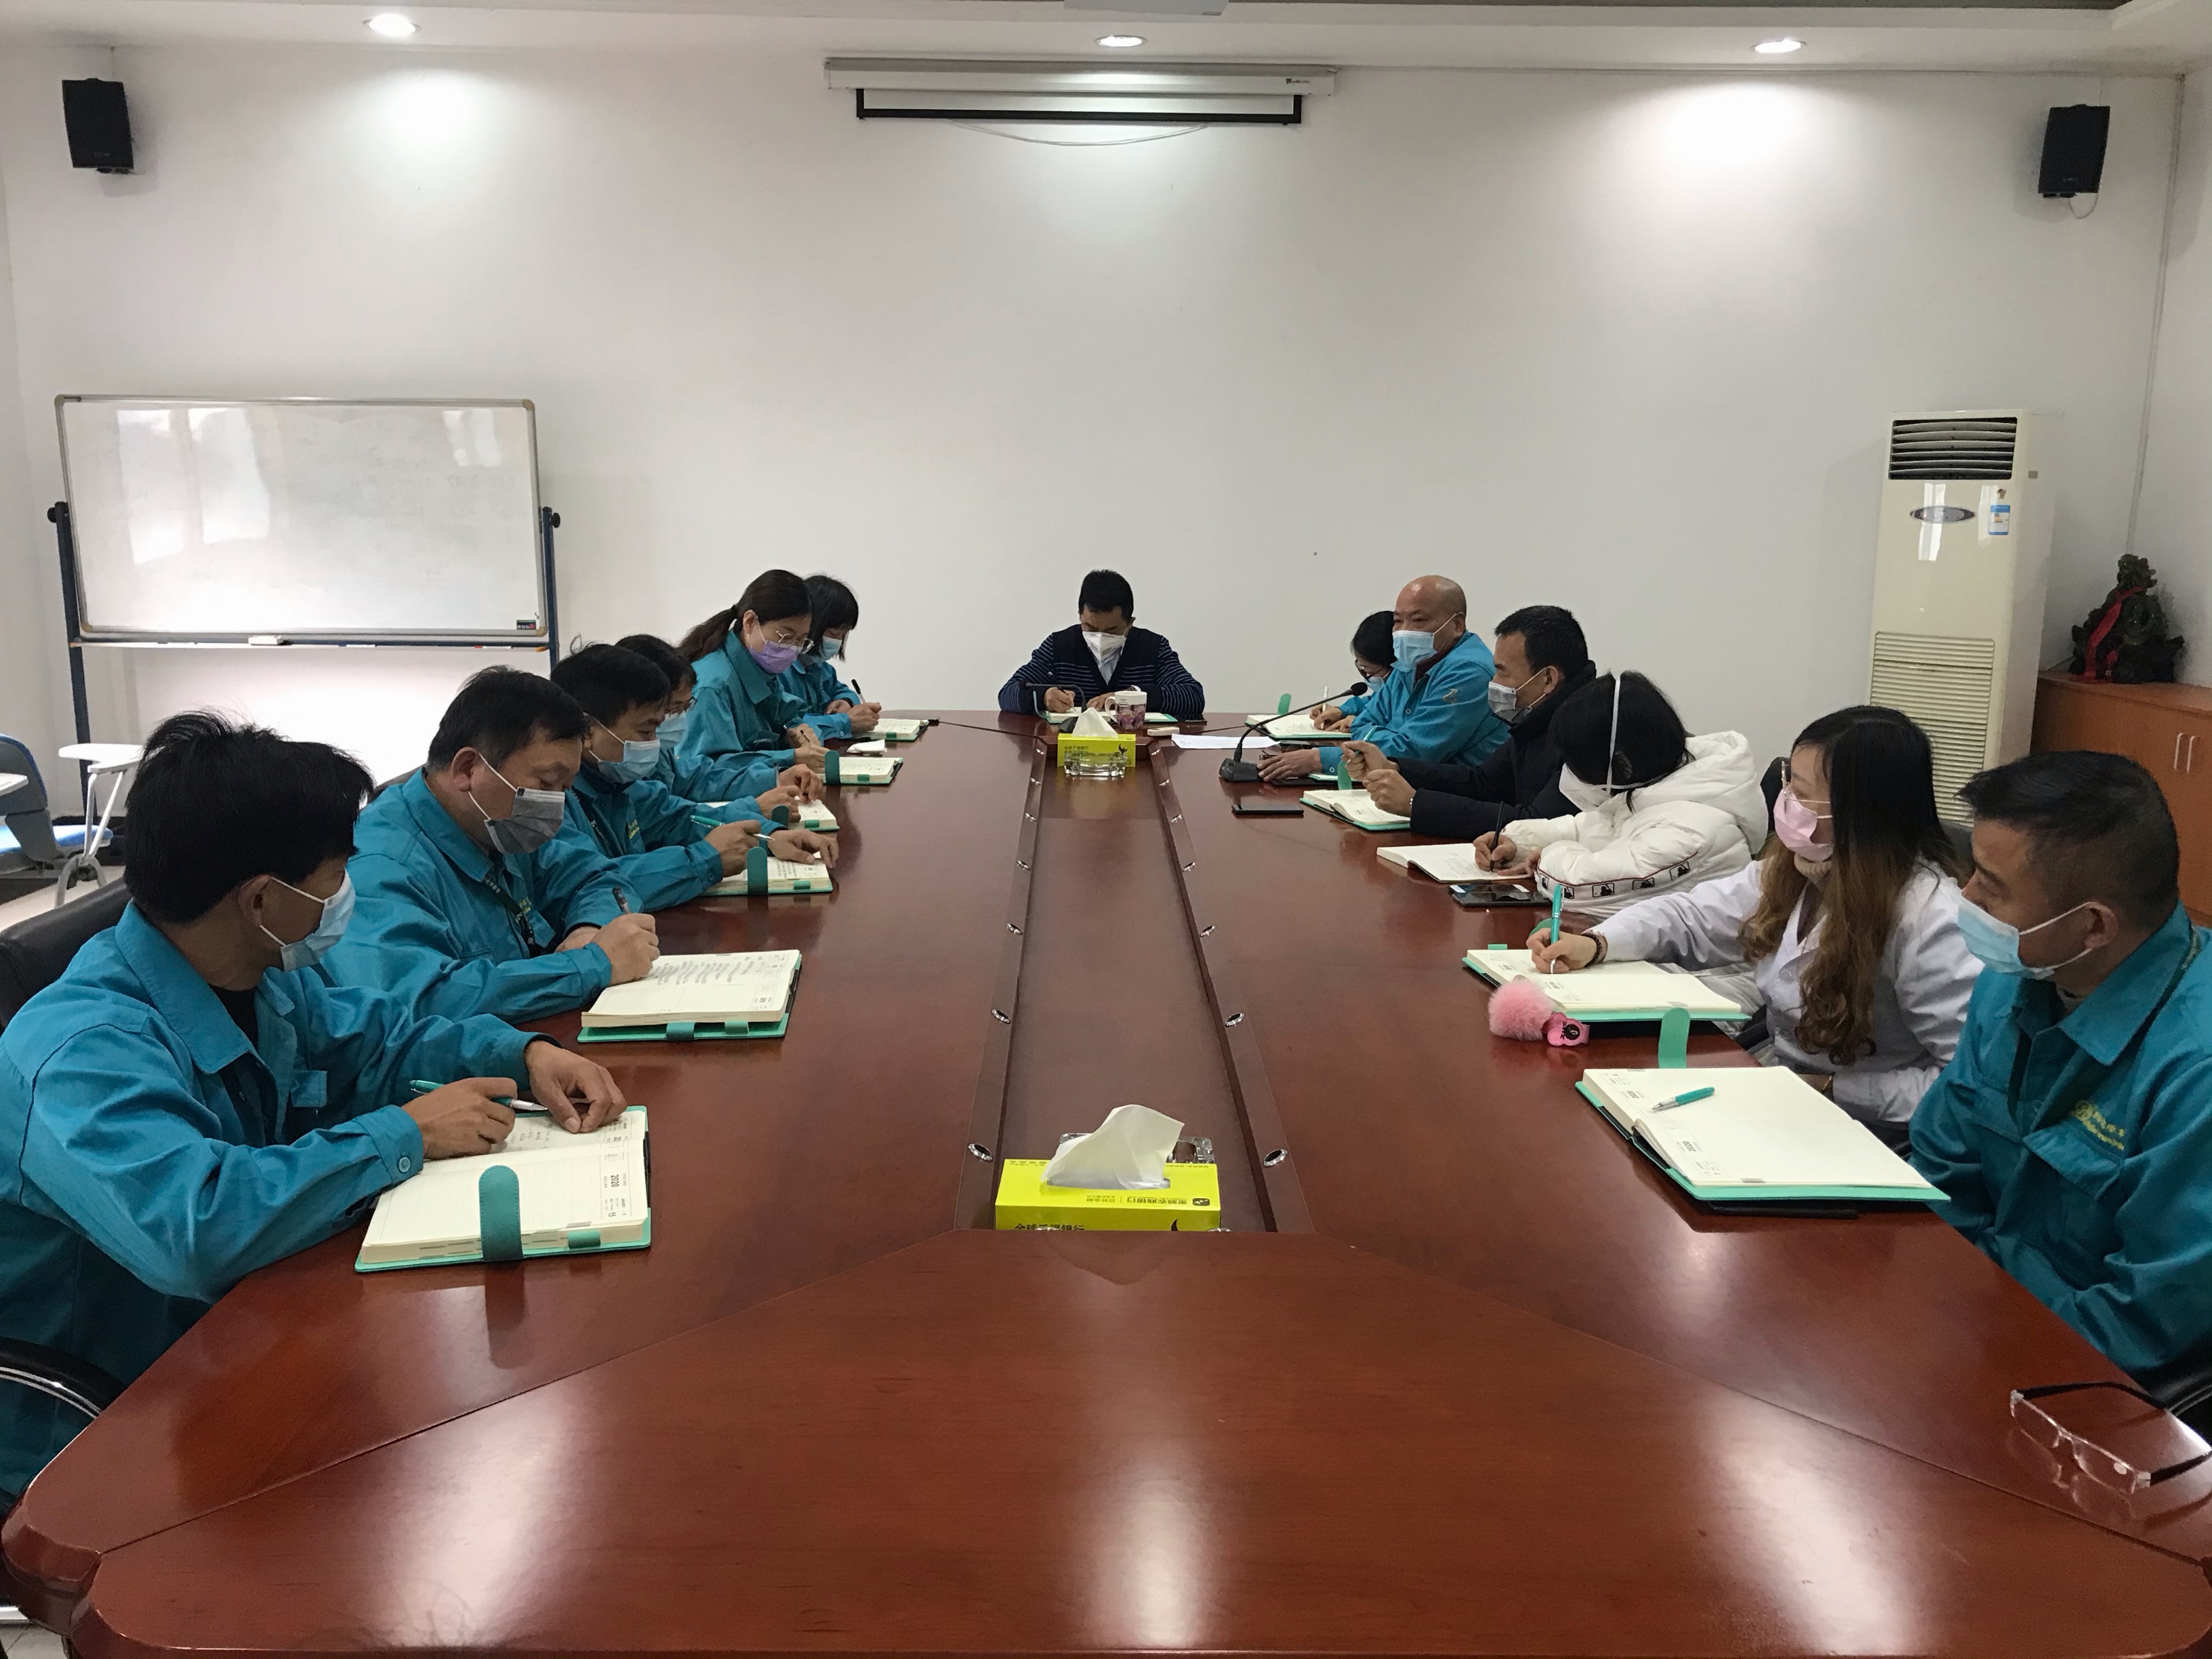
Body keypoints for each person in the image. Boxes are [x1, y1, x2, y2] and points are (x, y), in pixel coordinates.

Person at [0, 713, 626, 1500]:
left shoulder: (253, 970)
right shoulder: (81, 1050)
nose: (344, 897)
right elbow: (196, 1231)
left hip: (246, 1327)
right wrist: (402, 1134)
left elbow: (376, 1038)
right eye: (335, 876)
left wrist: (521, 1054)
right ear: (263, 899)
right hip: (104, 1414)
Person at [1910, 752, 2212, 1414]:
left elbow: (2144, 1321)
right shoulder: (2018, 979)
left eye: (1993, 885)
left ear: (2093, 924)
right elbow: (1940, 1169)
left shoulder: (2196, 1069)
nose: (1966, 897)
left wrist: (1976, 1341)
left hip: (2075, 1389)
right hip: (1964, 1321)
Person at [1530, 706, 1980, 1139]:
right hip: (1782, 1097)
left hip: (1869, 1133)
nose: (1787, 803)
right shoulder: (1798, 870)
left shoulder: (1932, 922)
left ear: (1862, 812)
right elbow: (1691, 916)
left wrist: (1834, 1089)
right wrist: (1599, 943)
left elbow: (1965, 1087)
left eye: (1803, 793)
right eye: (1789, 784)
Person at [327, 668, 661, 1021]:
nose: (556, 804)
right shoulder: (381, 866)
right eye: (547, 783)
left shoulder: (501, 824)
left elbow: (600, 879)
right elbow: (419, 1004)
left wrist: (588, 929)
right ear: (467, 769)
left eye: (565, 787)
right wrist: (591, 965)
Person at [550, 644, 834, 911]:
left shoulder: (617, 785)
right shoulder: (554, 802)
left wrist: (769, 835)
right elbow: (591, 884)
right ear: (587, 731)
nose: (654, 743)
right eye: (646, 732)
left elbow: (683, 818)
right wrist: (705, 859)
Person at [1476, 671, 1765, 916]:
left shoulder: (1695, 831)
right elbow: (1591, 827)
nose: (1572, 774)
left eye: (1577, 763)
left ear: (1622, 764)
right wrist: (1518, 843)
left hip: (1682, 966)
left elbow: (1578, 888)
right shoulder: (1653, 786)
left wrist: (1546, 857)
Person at [1341, 605, 1597, 838]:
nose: (1493, 682)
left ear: (1548, 679)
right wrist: (1395, 768)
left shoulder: (1589, 731)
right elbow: (1482, 782)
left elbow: (1538, 824)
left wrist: (1414, 804)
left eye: (1502, 671)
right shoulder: (1538, 717)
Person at [1254, 577, 1504, 782]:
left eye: (1418, 620)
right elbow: (1365, 720)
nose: (1404, 631)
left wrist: (1319, 759)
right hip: (1401, 783)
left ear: (1457, 625)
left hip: (1454, 797)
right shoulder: (1412, 662)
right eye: (1398, 621)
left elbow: (1413, 752)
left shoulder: (1468, 672)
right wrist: (1382, 737)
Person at [615, 632, 821, 819]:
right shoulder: (622, 767)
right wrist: (753, 809)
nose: (676, 718)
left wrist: (774, 779)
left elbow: (698, 779)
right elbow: (669, 819)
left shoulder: (655, 751)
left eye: (685, 707)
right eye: (673, 708)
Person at [675, 570, 831, 791]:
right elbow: (706, 772)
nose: (792, 650)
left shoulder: (760, 668)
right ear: (750, 622)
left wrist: (798, 729)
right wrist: (791, 758)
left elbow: (784, 713)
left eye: (801, 641)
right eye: (786, 637)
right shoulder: (713, 686)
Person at [997, 569, 1205, 720]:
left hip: (1138, 749)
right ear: (1080, 616)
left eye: (1112, 631)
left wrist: (1130, 698)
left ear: (1130, 623)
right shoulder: (1058, 646)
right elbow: (1007, 694)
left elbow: (1193, 697)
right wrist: (1044, 698)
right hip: (1071, 751)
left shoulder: (1152, 648)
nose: (1099, 637)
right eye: (1090, 628)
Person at [790, 575, 882, 739]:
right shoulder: (780, 670)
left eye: (842, 635)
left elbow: (842, 690)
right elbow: (789, 724)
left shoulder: (820, 668)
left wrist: (845, 702)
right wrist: (846, 722)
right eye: (833, 634)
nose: (838, 642)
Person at [1330, 611, 1399, 724]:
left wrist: (1359, 724)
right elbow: (1376, 703)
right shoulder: (1388, 693)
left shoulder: (1410, 691)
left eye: (1369, 670)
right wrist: (1341, 711)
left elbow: (1400, 730)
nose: (1366, 674)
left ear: (1394, 665)